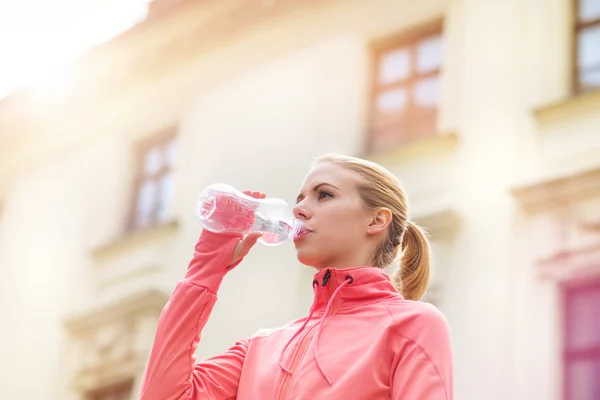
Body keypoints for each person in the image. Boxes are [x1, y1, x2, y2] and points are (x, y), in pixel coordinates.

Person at [139, 153, 454, 400]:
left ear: (376, 219)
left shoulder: (412, 325)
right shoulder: (260, 347)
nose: (299, 210)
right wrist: (206, 269)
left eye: (324, 195)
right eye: (300, 198)